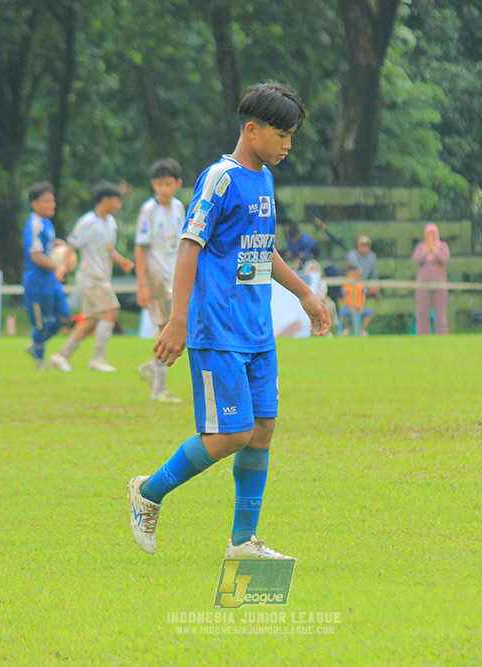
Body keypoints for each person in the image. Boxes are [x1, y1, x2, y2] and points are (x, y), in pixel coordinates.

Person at [126, 81, 330, 560]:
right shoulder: (219, 178)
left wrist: (305, 293)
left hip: (256, 328)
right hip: (217, 328)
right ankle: (148, 492)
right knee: (232, 432)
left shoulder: (264, 179)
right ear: (253, 129)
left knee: (261, 429)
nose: (288, 144)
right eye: (283, 134)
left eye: (292, 135)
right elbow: (189, 245)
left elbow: (262, 251)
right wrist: (177, 320)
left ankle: (242, 541)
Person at [55, 180, 134, 372]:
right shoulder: (87, 222)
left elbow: (108, 250)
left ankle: (61, 355)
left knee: (91, 320)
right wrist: (63, 268)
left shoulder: (111, 223)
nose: (119, 205)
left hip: (101, 277)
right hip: (91, 277)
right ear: (105, 200)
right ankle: (98, 359)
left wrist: (121, 260)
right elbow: (71, 247)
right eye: (117, 201)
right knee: (111, 310)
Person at [134, 158, 186, 403]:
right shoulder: (148, 210)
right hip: (157, 277)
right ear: (153, 184)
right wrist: (143, 286)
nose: (163, 189)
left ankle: (152, 368)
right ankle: (159, 389)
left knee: (173, 329)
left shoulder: (179, 208)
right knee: (166, 329)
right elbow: (140, 248)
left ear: (178, 184)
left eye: (168, 184)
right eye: (159, 184)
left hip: (175, 276)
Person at [21, 181, 73, 370]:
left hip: (51, 282)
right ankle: (39, 361)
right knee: (41, 324)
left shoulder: (47, 223)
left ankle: (36, 345)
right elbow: (35, 255)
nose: (52, 205)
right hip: (37, 284)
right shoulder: (34, 224)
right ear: (35, 204)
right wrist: (58, 268)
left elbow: (45, 249)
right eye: (47, 201)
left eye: (52, 201)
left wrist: (57, 245)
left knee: (65, 318)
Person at [412, 222, 450, 335]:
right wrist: (426, 251)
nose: (430, 236)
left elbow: (444, 259)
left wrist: (434, 250)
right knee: (422, 311)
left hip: (439, 282)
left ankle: (442, 335)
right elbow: (416, 259)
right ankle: (423, 335)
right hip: (423, 283)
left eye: (433, 233)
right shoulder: (420, 247)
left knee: (441, 311)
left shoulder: (443, 246)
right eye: (428, 233)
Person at [340, 265, 373, 336]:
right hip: (349, 306)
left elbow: (363, 296)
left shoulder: (361, 286)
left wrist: (361, 307)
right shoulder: (346, 285)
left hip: (359, 306)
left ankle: (362, 330)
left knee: (370, 314)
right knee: (344, 313)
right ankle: (346, 328)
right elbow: (346, 296)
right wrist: (351, 307)